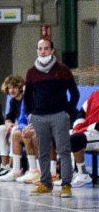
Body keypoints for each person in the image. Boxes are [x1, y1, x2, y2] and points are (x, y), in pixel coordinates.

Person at [24, 38, 79, 196]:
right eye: (40, 48)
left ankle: (66, 184)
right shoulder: (31, 72)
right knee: (43, 152)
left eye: (46, 48)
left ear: (52, 50)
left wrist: (68, 113)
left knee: (63, 150)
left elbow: (74, 94)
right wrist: (30, 114)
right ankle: (46, 183)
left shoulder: (62, 70)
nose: (43, 51)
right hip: (39, 117)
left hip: (59, 116)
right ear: (37, 51)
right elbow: (27, 96)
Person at [0, 75, 28, 182]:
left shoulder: (26, 98)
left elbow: (26, 118)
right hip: (16, 126)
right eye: (9, 88)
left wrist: (14, 125)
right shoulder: (13, 101)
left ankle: (13, 164)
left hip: (25, 127)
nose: (11, 90)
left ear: (20, 87)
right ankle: (5, 165)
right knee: (1, 129)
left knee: (14, 131)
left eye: (14, 87)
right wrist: (8, 123)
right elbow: (9, 117)